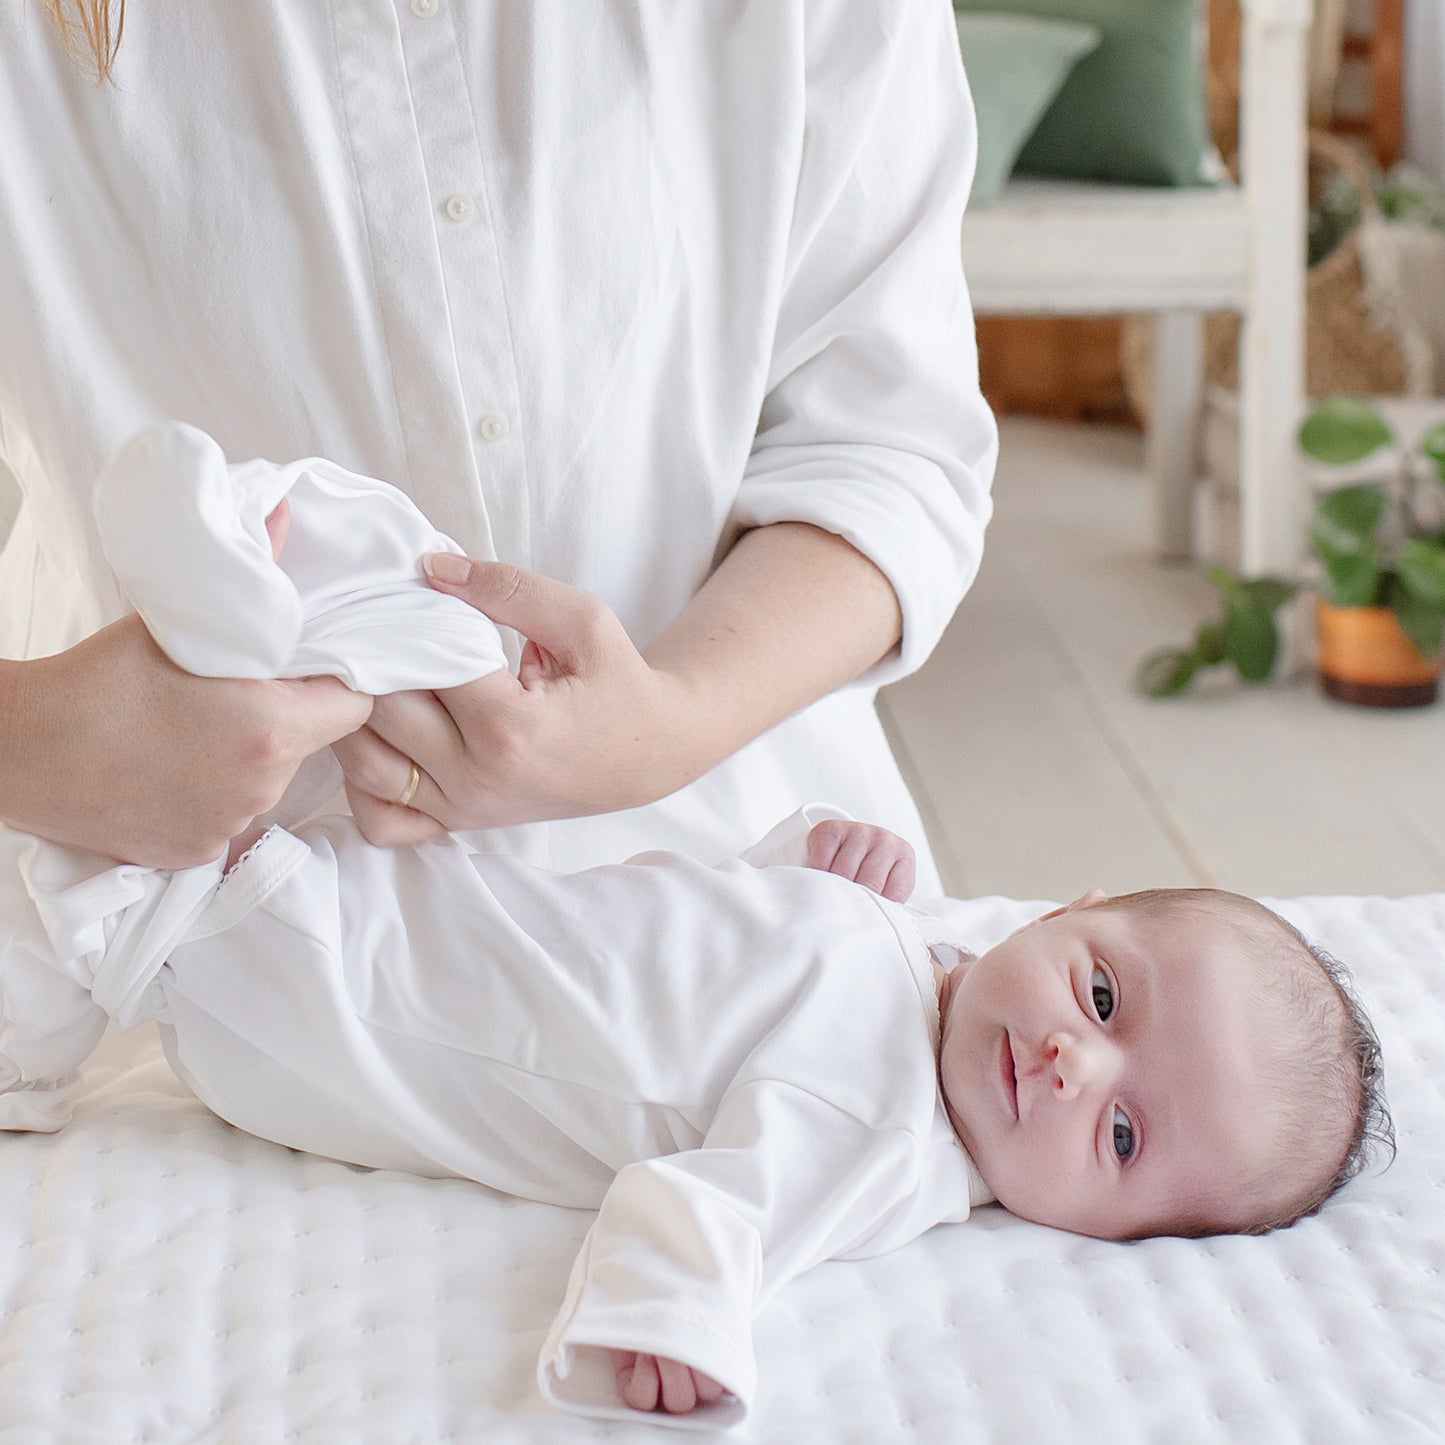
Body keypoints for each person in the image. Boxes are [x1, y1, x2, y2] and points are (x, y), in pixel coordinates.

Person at [0, 424, 1392, 1427]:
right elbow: (711, 937)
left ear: (1117, 1234)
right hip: (436, 897)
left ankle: (226, 622)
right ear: (1072, 909)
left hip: (332, 1003)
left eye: (1123, 1138)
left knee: (222, 863)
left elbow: (703, 1207)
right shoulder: (917, 957)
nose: (1071, 1067)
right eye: (1100, 996)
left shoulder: (881, 1139)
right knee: (441, 644)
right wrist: (801, 856)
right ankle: (273, 555)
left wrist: (666, 1329)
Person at [0, 0, 997, 886]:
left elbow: (885, 448)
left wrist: (672, 723)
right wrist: (34, 745)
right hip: (130, 964)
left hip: (745, 913)